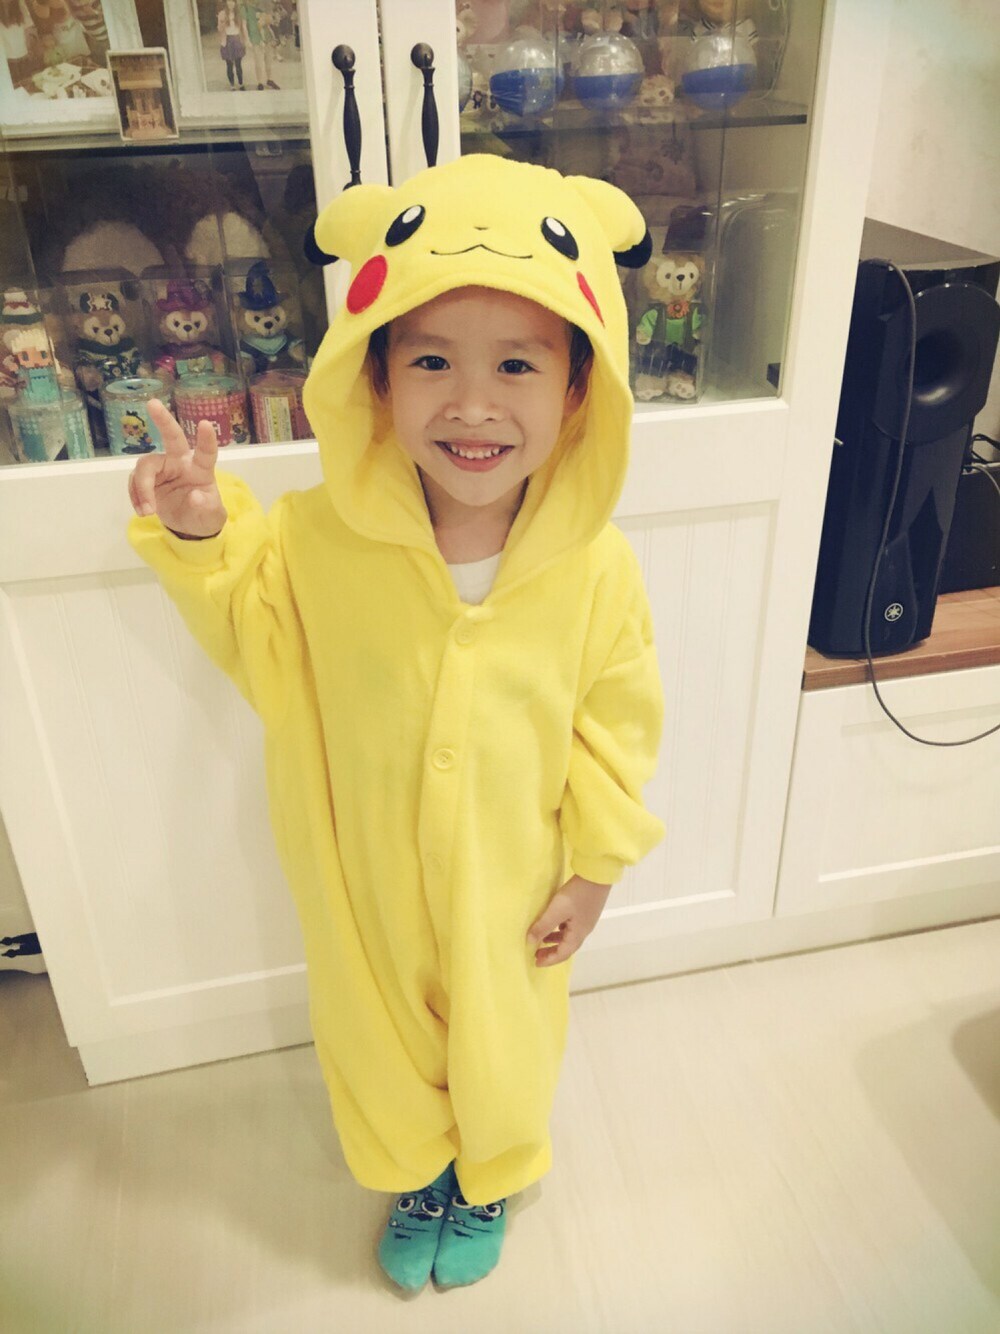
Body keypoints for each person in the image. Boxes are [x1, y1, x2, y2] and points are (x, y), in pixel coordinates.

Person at [126, 154, 665, 1293]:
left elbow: (616, 725)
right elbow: (257, 632)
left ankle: (489, 1170)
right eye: (430, 362)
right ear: (372, 377)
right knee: (377, 1041)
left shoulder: (594, 565)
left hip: (513, 879)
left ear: (579, 387)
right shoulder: (319, 537)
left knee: (505, 1038)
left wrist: (595, 869)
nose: (471, 404)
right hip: (359, 873)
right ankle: (417, 1170)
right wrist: (199, 532)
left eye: (516, 363)